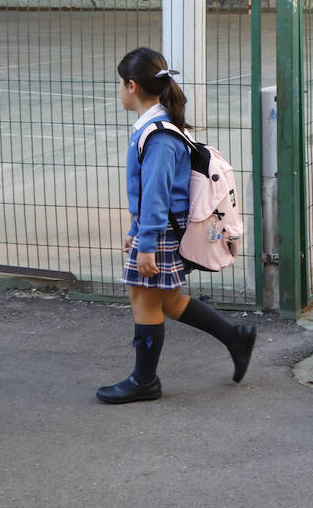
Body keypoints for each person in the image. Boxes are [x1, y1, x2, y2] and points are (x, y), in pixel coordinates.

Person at [98, 48, 256, 404]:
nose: (119, 91)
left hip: (162, 233)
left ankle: (144, 381)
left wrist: (147, 241)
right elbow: (150, 195)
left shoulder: (159, 136)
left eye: (120, 84)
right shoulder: (157, 128)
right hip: (157, 229)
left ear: (133, 86)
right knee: (166, 301)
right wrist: (136, 229)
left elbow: (157, 194)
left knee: (145, 302)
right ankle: (235, 337)